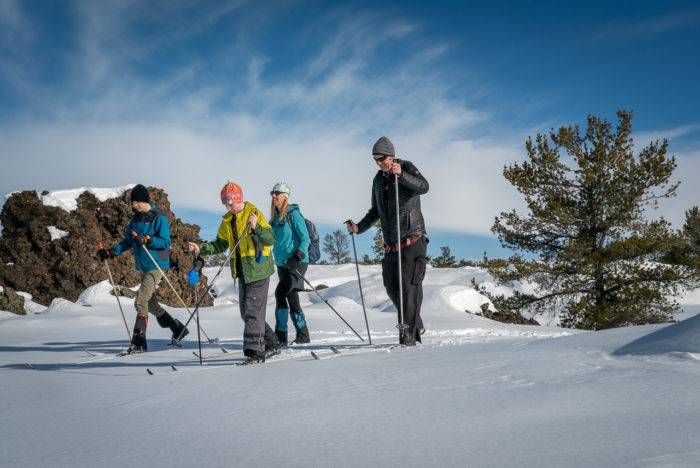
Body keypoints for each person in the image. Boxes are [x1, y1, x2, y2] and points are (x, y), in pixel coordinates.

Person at [346, 137, 429, 346]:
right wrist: (359, 227)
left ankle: (407, 340)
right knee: (392, 288)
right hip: (391, 245)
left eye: (381, 158)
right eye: (375, 159)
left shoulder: (407, 167)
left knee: (409, 290)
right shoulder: (377, 180)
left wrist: (401, 175)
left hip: (412, 239)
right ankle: (416, 324)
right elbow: (375, 211)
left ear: (391, 155)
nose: (379, 163)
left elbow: (424, 187)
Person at [187, 181, 279, 363]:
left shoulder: (253, 213)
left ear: (239, 199)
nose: (228, 206)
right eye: (225, 203)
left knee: (253, 311)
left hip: (258, 269)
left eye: (231, 202)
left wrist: (256, 227)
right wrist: (201, 248)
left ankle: (255, 352)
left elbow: (270, 239)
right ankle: (272, 343)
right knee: (246, 313)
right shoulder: (227, 220)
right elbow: (220, 244)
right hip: (242, 271)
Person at [96, 184, 188, 353]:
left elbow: (166, 243)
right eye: (133, 202)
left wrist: (147, 240)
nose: (134, 205)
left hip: (156, 265)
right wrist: (110, 252)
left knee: (140, 301)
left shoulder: (159, 218)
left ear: (145, 200)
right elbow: (127, 242)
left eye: (137, 201)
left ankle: (139, 342)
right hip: (144, 267)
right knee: (152, 305)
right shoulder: (135, 220)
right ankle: (178, 329)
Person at [269, 182, 311, 346]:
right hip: (281, 264)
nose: (273, 196)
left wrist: (297, 256)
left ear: (284, 196)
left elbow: (305, 238)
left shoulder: (293, 215)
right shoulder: (274, 219)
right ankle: (303, 334)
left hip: (297, 262)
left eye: (277, 193)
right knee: (291, 297)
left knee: (280, 293)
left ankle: (280, 335)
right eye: (272, 193)